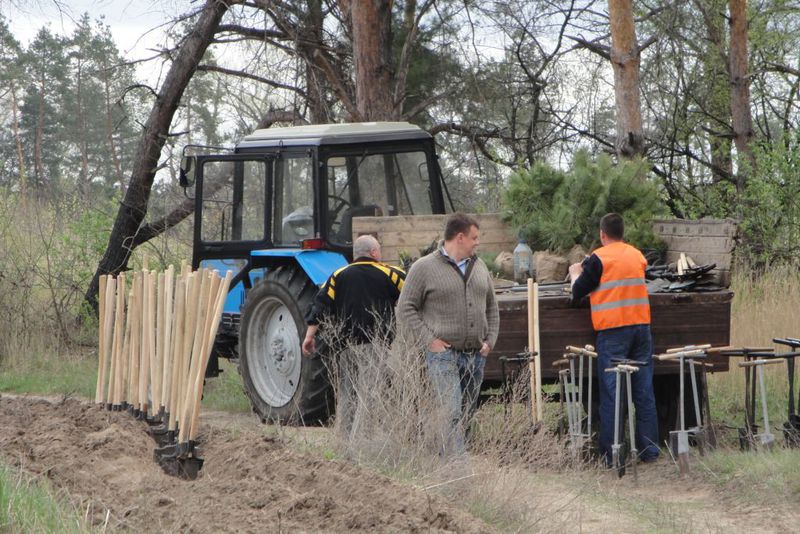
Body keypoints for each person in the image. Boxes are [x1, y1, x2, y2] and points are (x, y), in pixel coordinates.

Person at [397, 213, 500, 457]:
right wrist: (429, 341)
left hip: (476, 355)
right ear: (460, 237)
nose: (477, 243)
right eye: (474, 238)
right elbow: (405, 308)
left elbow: (492, 307)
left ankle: (446, 460)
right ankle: (457, 471)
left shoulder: (480, 266)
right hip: (444, 356)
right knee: (451, 412)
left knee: (466, 414)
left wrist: (490, 341)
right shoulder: (423, 268)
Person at [569, 213, 659, 465]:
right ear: (622, 232)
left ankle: (613, 455)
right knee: (643, 392)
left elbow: (577, 292)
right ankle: (649, 451)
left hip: (613, 333)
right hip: (641, 330)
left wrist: (576, 272)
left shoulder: (598, 259)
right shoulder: (637, 255)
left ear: (602, 234)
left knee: (613, 393)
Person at [302, 234, 405, 436]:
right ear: (374, 253)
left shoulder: (337, 275)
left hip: (346, 347)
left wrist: (309, 337)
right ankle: (364, 443)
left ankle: (345, 441)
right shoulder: (392, 273)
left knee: (348, 394)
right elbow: (413, 295)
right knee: (371, 395)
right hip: (377, 345)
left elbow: (319, 306)